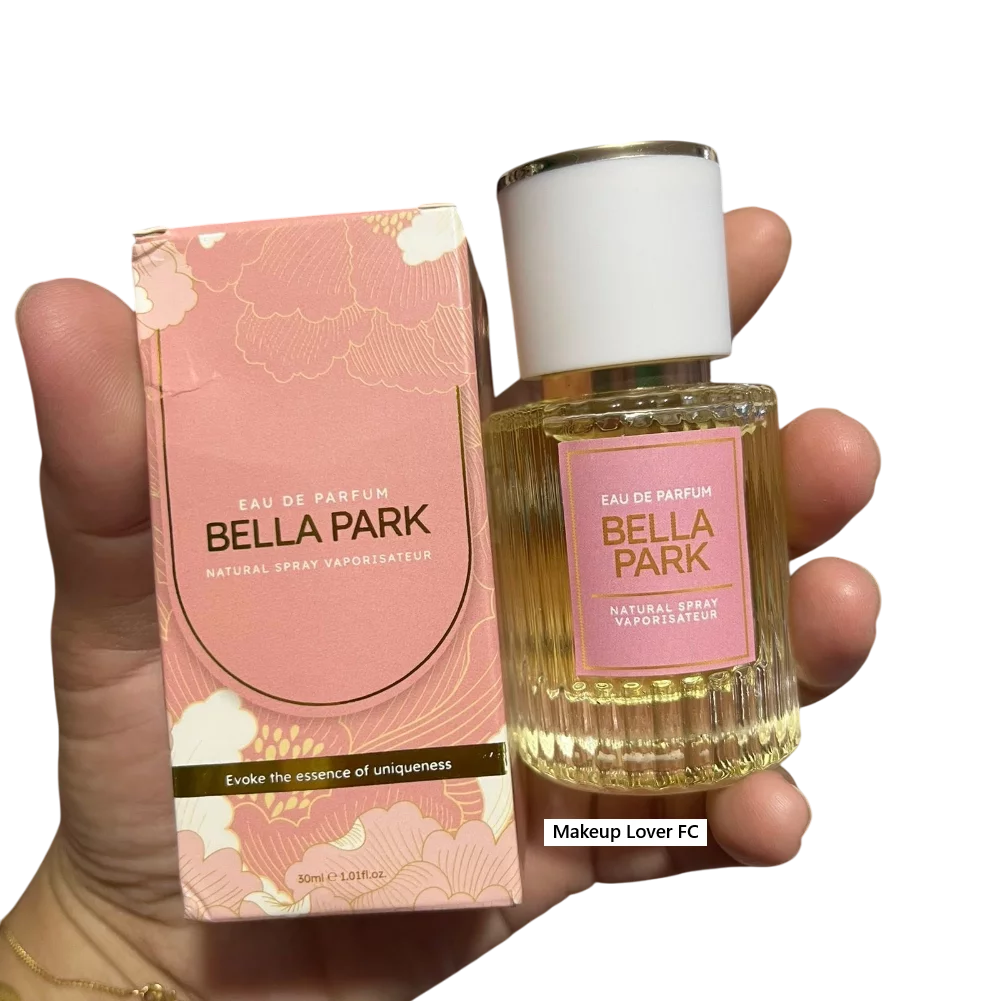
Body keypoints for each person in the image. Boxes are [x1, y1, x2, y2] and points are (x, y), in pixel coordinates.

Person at [1, 207, 881, 1000]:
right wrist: (118, 934)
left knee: (737, 800)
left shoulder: (726, 410)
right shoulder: (523, 432)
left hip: (533, 806)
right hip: (252, 847)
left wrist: (116, 943)